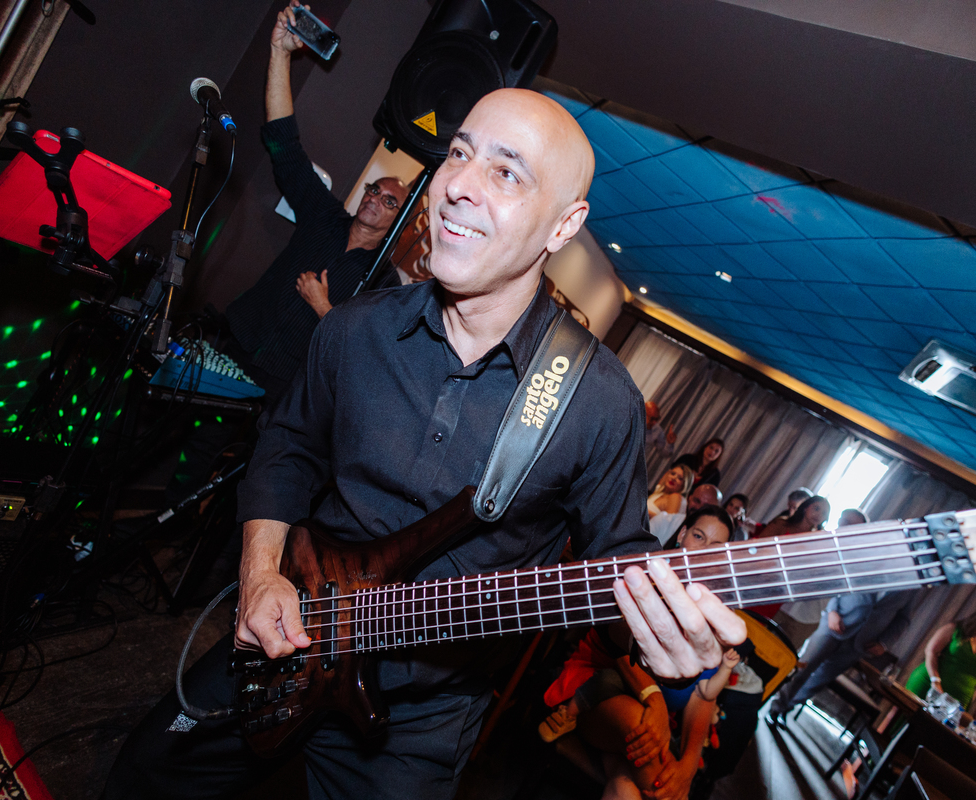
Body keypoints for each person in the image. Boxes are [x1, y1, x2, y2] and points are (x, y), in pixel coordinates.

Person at [101, 86, 746, 800]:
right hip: (297, 630)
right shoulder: (355, 329)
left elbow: (616, 561)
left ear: (564, 226)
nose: (458, 187)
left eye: (506, 172)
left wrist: (660, 627)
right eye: (459, 154)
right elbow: (286, 448)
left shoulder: (598, 403)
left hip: (420, 715)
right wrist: (260, 575)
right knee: (146, 771)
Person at [222, 2, 411, 397]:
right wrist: (279, 52)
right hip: (236, 340)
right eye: (375, 189)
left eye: (390, 201)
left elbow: (361, 356)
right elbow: (283, 141)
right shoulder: (324, 215)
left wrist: (322, 307)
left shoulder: (383, 284)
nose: (376, 197)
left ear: (399, 221)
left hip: (280, 390)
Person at [539, 507, 739, 800]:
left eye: (716, 547)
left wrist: (687, 767)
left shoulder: (716, 612)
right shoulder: (645, 574)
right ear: (682, 534)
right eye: (699, 536)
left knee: (627, 790)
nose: (704, 550)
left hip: (647, 728)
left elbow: (703, 696)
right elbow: (619, 645)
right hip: (598, 689)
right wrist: (655, 702)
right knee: (642, 729)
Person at [767, 590, 912, 725]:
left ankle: (785, 708)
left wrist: (884, 643)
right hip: (836, 622)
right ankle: (775, 705)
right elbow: (839, 585)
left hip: (863, 642)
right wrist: (832, 610)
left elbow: (904, 618)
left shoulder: (913, 585)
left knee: (819, 680)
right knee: (803, 666)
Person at [905, 605, 976, 723]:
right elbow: (931, 652)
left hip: (957, 698)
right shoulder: (956, 629)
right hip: (928, 682)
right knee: (902, 715)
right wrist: (935, 681)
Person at [648, 465, 694, 546]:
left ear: (684, 485)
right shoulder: (659, 492)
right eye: (673, 474)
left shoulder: (675, 497)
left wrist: (643, 512)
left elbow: (667, 525)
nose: (674, 478)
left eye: (680, 478)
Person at [757, 495, 830, 540]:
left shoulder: (817, 539)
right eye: (816, 509)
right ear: (806, 507)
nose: (819, 515)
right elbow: (759, 545)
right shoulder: (781, 524)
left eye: (824, 513)